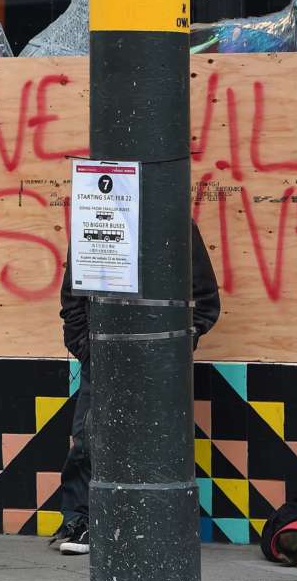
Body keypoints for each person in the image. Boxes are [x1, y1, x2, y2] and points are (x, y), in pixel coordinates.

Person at [50, 220, 221, 555]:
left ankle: (148, 524)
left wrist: (177, 346)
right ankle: (80, 521)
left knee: (156, 440)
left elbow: (205, 300)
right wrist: (87, 348)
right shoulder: (94, 218)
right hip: (102, 355)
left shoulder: (176, 224)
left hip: (158, 360)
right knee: (87, 439)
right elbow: (73, 297)